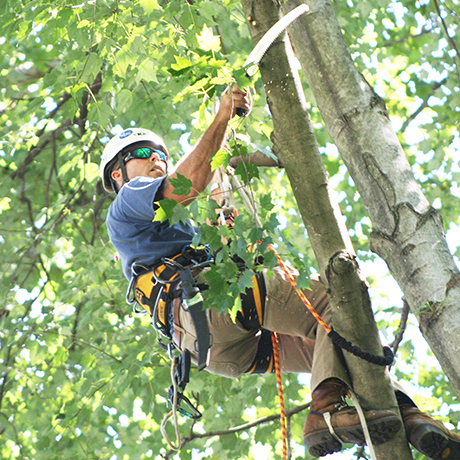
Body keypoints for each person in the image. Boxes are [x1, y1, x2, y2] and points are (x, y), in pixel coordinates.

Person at [100, 85, 460, 459]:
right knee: (337, 303)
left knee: (346, 344)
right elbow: (183, 186)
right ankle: (324, 411)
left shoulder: (176, 237)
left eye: (161, 153)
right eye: (143, 154)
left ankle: (405, 413)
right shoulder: (129, 201)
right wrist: (222, 117)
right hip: (210, 309)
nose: (156, 159)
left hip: (216, 349)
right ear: (118, 175)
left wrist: (227, 227)